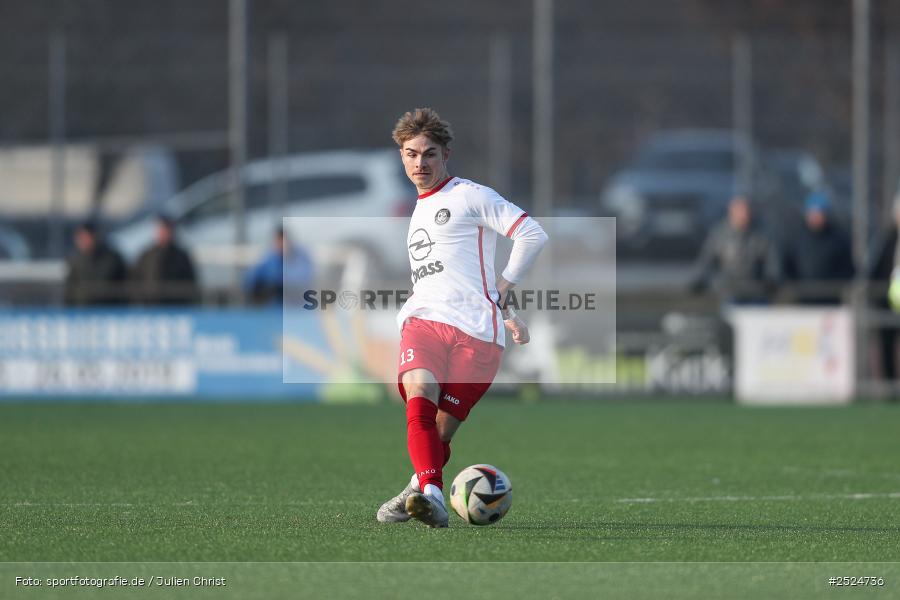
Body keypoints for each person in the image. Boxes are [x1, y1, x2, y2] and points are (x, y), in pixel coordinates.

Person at [376, 108, 548, 528]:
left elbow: (532, 234)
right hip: (425, 321)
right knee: (419, 392)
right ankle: (432, 492)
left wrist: (504, 298)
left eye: (429, 154)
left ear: (446, 155)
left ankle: (419, 487)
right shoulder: (416, 211)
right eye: (411, 154)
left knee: (441, 430)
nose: (421, 163)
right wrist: (502, 301)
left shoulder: (471, 195)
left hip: (478, 336)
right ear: (401, 156)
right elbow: (462, 275)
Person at [689, 195, 781, 304]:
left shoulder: (760, 235)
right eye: (739, 211)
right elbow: (706, 261)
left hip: (755, 291)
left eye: (746, 211)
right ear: (731, 212)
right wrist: (699, 280)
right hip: (729, 291)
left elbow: (772, 261)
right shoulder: (719, 235)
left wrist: (772, 280)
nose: (743, 215)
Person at [782, 192, 854, 304]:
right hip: (802, 300)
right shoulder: (796, 238)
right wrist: (795, 288)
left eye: (819, 213)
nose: (816, 217)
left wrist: (834, 287)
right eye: (813, 213)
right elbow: (787, 265)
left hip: (830, 301)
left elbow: (848, 268)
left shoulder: (838, 239)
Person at [131, 215, 199, 305]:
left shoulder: (181, 256)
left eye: (167, 230)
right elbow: (135, 279)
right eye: (161, 230)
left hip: (174, 307)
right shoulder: (147, 255)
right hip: (150, 306)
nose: (164, 233)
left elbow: (190, 283)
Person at [64, 220, 128, 305]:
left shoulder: (112, 259)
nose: (83, 241)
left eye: (86, 237)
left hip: (107, 310)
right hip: (81, 311)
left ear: (94, 237)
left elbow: (122, 287)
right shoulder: (75, 261)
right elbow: (70, 290)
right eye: (80, 238)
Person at [244, 227, 313, 304]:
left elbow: (303, 278)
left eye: (282, 242)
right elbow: (251, 278)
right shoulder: (270, 257)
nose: (280, 245)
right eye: (278, 242)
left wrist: (279, 281)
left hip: (297, 303)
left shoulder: (301, 256)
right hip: (275, 306)